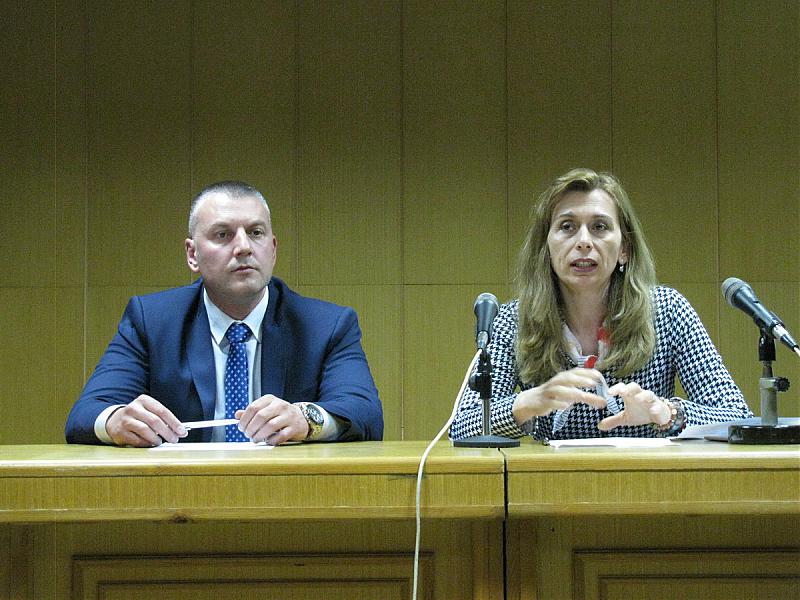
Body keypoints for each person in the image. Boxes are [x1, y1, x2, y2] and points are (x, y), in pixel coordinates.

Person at [66, 181, 383, 446]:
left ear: (273, 249)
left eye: (256, 233)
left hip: (289, 491)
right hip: (182, 492)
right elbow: (86, 414)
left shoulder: (325, 325)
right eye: (223, 234)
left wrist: (307, 419)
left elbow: (365, 413)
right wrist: (116, 421)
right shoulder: (152, 321)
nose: (243, 247)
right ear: (192, 254)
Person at [450, 168, 752, 441]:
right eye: (567, 227)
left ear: (624, 249)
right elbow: (461, 426)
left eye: (599, 226)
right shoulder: (515, 320)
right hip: (551, 481)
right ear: (546, 248)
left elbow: (738, 417)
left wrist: (666, 413)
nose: (583, 241)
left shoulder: (667, 310)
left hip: (649, 481)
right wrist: (527, 403)